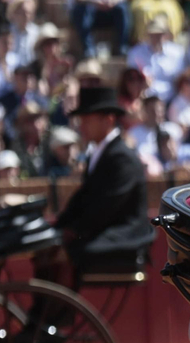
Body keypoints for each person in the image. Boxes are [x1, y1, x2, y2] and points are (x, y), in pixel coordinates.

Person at [32, 85, 154, 293]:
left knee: (64, 250)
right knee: (50, 248)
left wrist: (71, 231)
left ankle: (55, 313)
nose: (81, 125)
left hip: (126, 235)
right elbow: (83, 197)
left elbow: (104, 207)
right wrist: (58, 227)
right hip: (107, 229)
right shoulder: (100, 153)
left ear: (108, 120)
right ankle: (47, 313)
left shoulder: (121, 157)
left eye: (87, 119)